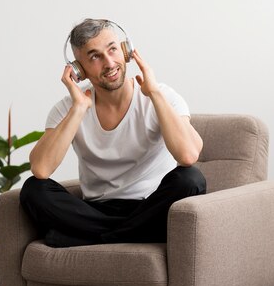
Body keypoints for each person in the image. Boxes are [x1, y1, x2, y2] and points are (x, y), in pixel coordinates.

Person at [20, 18, 206, 248]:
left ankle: (93, 237)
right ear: (79, 70)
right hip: (97, 209)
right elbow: (41, 168)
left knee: (191, 179)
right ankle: (136, 234)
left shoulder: (162, 96)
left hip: (151, 205)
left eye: (113, 50)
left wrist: (155, 94)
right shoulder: (68, 107)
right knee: (33, 189)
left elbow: (188, 155)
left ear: (126, 51)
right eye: (95, 57)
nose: (109, 63)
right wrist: (78, 109)